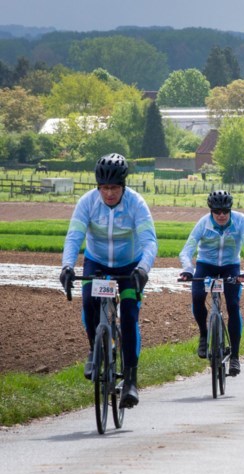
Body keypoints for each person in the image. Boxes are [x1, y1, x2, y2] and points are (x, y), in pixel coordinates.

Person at [59, 153, 157, 409]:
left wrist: (143, 269)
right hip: (98, 262)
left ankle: (131, 380)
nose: (109, 193)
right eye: (104, 188)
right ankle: (95, 350)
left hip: (130, 266)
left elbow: (149, 242)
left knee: (130, 316)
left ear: (123, 186)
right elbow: (73, 237)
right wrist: (67, 266)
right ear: (98, 187)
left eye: (114, 188)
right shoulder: (87, 203)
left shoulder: (136, 203)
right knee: (90, 302)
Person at [178, 190, 244, 377]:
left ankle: (235, 357)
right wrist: (188, 269)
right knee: (197, 298)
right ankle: (204, 334)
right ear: (211, 211)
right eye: (217, 211)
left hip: (231, 266)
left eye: (225, 211)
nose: (221, 215)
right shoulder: (203, 224)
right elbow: (187, 249)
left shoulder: (240, 221)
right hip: (206, 265)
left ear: (230, 210)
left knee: (233, 305)